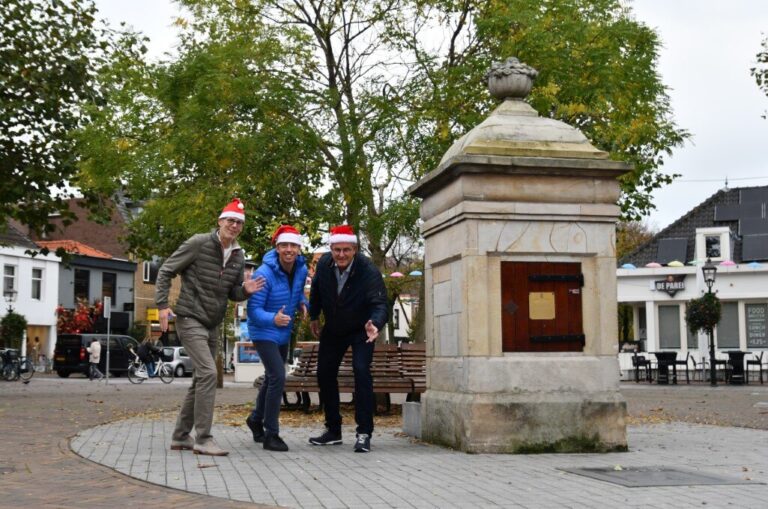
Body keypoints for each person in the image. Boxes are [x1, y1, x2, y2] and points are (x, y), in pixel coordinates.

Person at [155, 198, 265, 456]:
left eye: (238, 222)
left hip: (213, 323)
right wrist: (161, 305)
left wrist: (245, 291)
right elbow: (166, 271)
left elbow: (233, 293)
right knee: (208, 374)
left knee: (200, 380)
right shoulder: (198, 243)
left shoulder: (239, 256)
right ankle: (203, 439)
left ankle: (181, 436)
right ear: (220, 221)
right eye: (230, 220)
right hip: (190, 317)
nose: (234, 225)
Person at [308, 224, 387, 453]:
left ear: (354, 249)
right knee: (324, 373)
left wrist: (376, 323)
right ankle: (333, 430)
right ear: (331, 249)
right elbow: (316, 290)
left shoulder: (368, 270)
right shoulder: (323, 264)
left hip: (362, 328)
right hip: (334, 327)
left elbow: (380, 303)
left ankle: (364, 433)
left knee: (361, 370)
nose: (341, 255)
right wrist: (314, 316)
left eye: (346, 250)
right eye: (337, 250)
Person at [245, 225, 309, 452]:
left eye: (293, 245)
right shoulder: (264, 273)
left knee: (273, 377)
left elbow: (298, 289)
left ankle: (255, 419)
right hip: (263, 331)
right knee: (278, 376)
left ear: (299, 249)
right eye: (284, 245)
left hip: (283, 331)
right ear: (277, 247)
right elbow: (253, 311)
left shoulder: (301, 269)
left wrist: (302, 302)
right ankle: (272, 434)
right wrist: (274, 318)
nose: (289, 250)